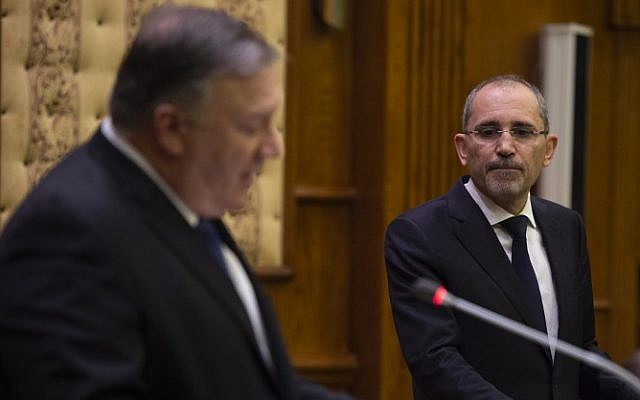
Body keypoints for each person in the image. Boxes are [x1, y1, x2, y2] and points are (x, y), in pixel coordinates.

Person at [0, 5, 352, 400]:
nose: (274, 147)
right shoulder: (66, 236)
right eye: (252, 127)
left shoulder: (182, 202)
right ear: (171, 129)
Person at [385, 75, 638, 399]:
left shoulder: (566, 227)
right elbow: (437, 363)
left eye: (522, 131)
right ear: (463, 148)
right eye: (489, 132)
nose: (504, 147)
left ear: (548, 149)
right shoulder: (419, 234)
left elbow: (580, 353)